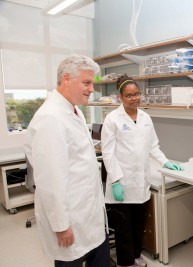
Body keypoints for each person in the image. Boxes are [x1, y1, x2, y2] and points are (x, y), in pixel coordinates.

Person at [24, 55, 109, 266]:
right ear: (66, 79)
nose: (91, 89)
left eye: (92, 83)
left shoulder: (74, 110)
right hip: (71, 221)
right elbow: (51, 179)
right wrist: (61, 225)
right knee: (70, 261)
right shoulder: (51, 118)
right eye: (87, 83)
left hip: (88, 214)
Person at [101, 76, 184, 267]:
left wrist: (166, 162)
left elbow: (153, 146)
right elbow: (108, 153)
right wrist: (115, 181)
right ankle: (125, 261)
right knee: (124, 227)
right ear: (121, 97)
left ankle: (136, 254)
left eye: (137, 94)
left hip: (141, 181)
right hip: (121, 182)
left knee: (139, 224)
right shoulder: (112, 119)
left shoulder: (146, 117)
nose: (134, 98)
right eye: (129, 95)